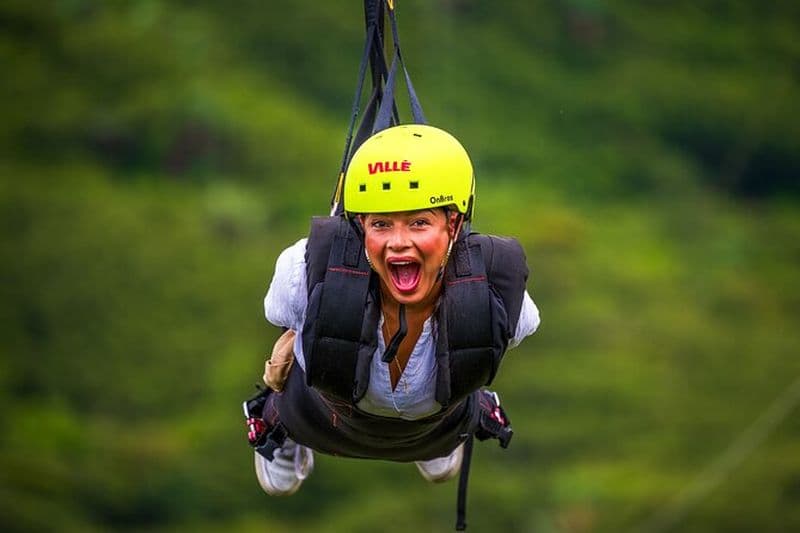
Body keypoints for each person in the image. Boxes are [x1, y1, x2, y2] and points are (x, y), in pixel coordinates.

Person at [251, 124, 540, 496]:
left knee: (441, 434)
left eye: (419, 223)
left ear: (453, 225)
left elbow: (512, 328)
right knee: (308, 313)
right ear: (359, 226)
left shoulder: (495, 288)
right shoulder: (301, 270)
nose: (399, 244)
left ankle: (437, 424)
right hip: (319, 418)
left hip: (438, 428)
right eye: (381, 225)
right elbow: (280, 314)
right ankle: (284, 432)